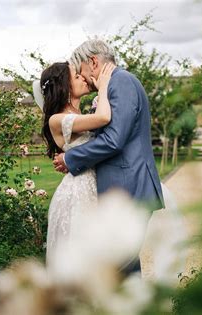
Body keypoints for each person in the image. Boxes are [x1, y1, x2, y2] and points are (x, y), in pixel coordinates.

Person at [51, 39, 165, 274]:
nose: (83, 78)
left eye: (81, 71)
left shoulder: (120, 82)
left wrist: (70, 159)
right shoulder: (115, 84)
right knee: (126, 266)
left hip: (130, 187)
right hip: (122, 187)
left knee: (117, 266)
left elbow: (114, 139)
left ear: (93, 62)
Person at [37, 61, 116, 265]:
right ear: (64, 84)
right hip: (78, 195)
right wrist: (104, 85)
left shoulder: (81, 115)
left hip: (97, 186)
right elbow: (104, 117)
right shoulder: (57, 119)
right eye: (76, 75)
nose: (83, 77)